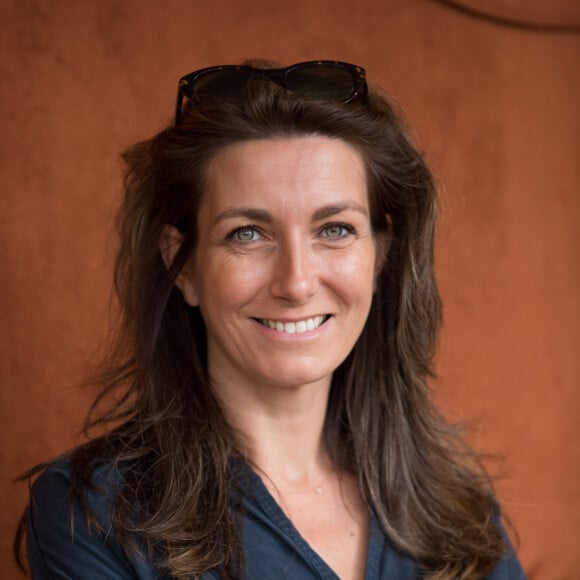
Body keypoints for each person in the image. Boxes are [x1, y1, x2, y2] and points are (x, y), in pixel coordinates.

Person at [17, 60, 526, 579]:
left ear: (381, 255)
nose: (297, 282)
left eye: (335, 229)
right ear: (183, 264)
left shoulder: (458, 512)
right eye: (247, 233)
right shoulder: (96, 516)